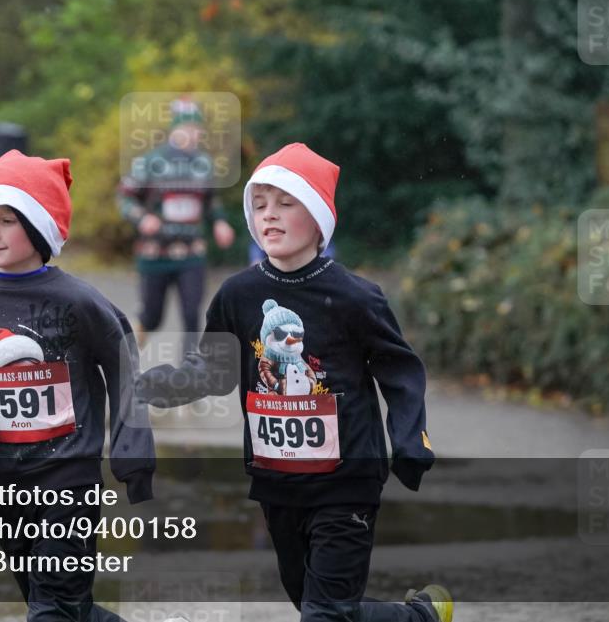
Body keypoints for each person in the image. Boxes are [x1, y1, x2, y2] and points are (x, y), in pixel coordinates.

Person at [138, 143, 453, 622]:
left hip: (347, 480)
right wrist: (166, 385)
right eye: (260, 205)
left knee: (323, 614)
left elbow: (400, 369)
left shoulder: (354, 296)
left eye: (286, 204)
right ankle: (421, 617)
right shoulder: (238, 294)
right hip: (276, 481)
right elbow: (215, 369)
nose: (270, 216)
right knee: (313, 603)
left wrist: (411, 438)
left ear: (319, 217)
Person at [0, 150, 155, 620]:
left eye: (6, 220)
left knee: (51, 609)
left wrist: (134, 458)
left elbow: (125, 368)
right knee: (65, 607)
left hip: (69, 477)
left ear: (40, 227)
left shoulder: (79, 301)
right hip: (2, 480)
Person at [118, 97, 235, 352]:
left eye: (197, 129)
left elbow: (211, 201)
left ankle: (188, 369)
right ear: (174, 129)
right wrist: (142, 218)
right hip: (155, 253)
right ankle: (133, 345)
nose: (194, 134)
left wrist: (220, 223)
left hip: (192, 251)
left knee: (192, 314)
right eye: (188, 128)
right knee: (153, 316)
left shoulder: (203, 164)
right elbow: (125, 197)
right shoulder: (151, 162)